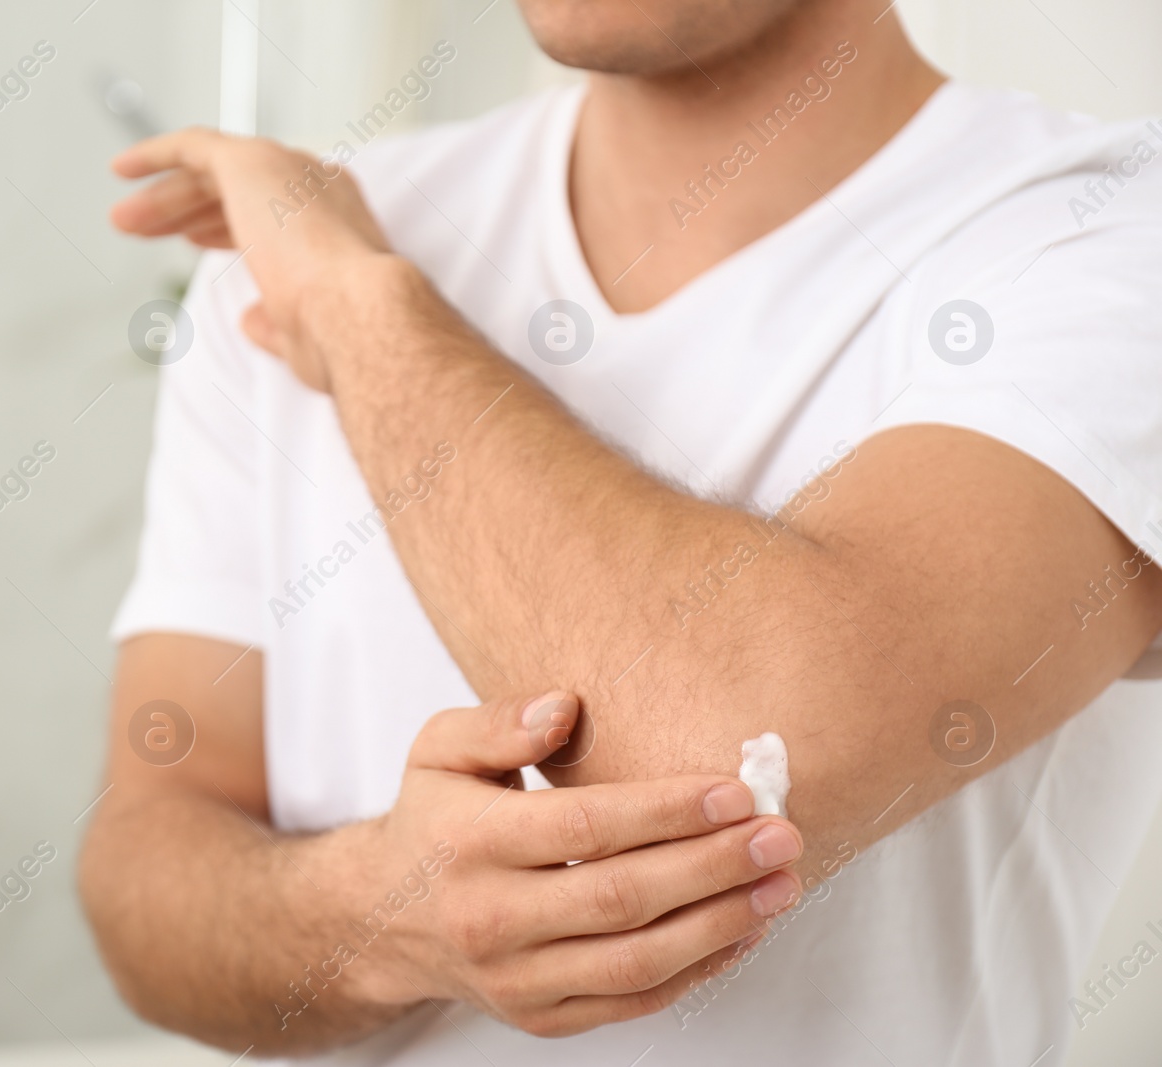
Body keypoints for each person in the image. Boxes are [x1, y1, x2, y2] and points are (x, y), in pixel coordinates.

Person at [80, 0, 1162, 1062]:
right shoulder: (294, 245)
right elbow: (147, 866)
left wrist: (366, 317)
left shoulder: (1107, 239)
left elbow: (723, 772)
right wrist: (377, 913)